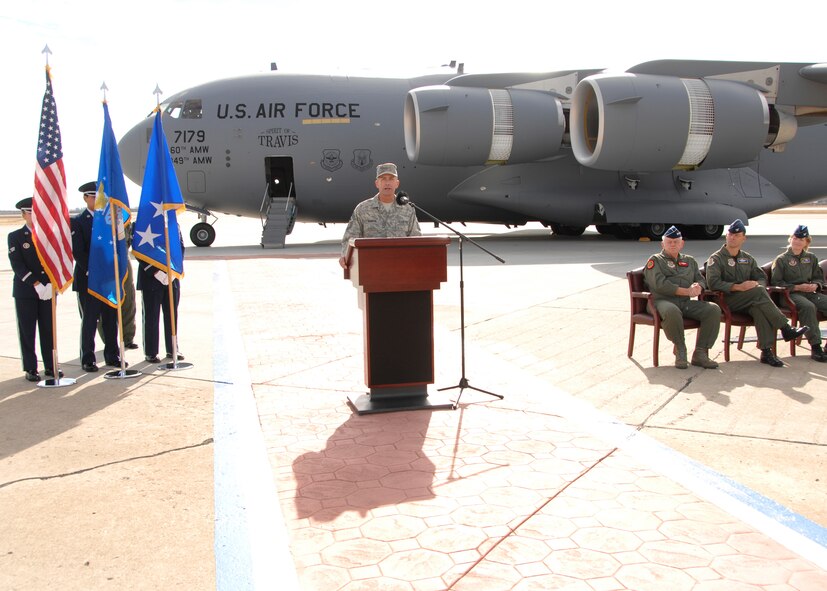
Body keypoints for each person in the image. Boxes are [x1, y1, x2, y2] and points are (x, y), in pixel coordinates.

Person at [705, 219, 808, 367]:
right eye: (730, 234)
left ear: (743, 238)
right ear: (726, 236)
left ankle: (766, 352)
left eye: (736, 235)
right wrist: (739, 287)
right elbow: (713, 283)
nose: (732, 237)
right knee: (759, 293)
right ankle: (785, 328)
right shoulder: (716, 259)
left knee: (759, 307)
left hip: (749, 299)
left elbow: (761, 277)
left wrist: (755, 284)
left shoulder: (747, 258)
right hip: (727, 300)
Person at [643, 226, 721, 369]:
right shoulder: (655, 261)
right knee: (672, 311)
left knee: (713, 309)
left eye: (676, 242)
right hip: (661, 302)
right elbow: (660, 285)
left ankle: (701, 353)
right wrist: (686, 291)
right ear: (662, 244)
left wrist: (699, 286)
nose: (672, 244)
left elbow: (701, 279)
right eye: (669, 242)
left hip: (684, 303)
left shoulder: (690, 261)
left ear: (682, 244)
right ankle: (680, 350)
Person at [71, 181, 123, 372]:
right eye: (94, 196)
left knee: (110, 319)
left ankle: (112, 355)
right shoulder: (77, 221)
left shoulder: (108, 220)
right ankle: (88, 359)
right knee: (90, 320)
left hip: (108, 278)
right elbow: (78, 251)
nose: (97, 200)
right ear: (85, 198)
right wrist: (95, 270)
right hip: (88, 277)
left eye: (99, 197)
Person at [8, 197, 60, 382]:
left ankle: (50, 366)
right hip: (27, 291)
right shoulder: (15, 236)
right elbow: (18, 265)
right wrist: (36, 284)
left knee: (48, 329)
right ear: (23, 215)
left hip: (48, 289)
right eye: (29, 212)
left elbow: (55, 261)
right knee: (27, 331)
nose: (33, 215)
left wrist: (52, 284)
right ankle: (31, 368)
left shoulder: (49, 236)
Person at [338, 162, 421, 269]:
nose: (387, 183)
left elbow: (416, 238)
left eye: (391, 179)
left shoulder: (408, 209)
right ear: (377, 183)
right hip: (371, 268)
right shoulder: (363, 209)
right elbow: (349, 239)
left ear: (397, 183)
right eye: (383, 179)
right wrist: (345, 256)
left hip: (401, 267)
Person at [770, 224, 827, 362]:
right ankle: (816, 346)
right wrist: (796, 287)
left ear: (806, 242)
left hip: (810, 293)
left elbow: (818, 277)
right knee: (808, 307)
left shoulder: (811, 258)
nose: (797, 241)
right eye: (795, 238)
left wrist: (816, 284)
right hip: (790, 295)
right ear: (790, 239)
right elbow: (776, 282)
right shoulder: (781, 259)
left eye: (801, 239)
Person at [136, 228, 184, 364]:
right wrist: (155, 271)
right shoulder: (142, 221)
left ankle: (172, 348)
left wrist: (174, 270)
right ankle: (151, 352)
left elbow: (180, 247)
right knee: (151, 316)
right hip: (151, 277)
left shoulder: (173, 223)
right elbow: (139, 250)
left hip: (171, 276)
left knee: (172, 315)